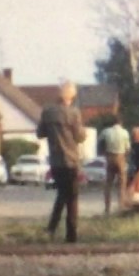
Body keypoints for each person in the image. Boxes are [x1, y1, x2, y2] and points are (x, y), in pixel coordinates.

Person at [37, 81, 86, 242]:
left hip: (55, 160)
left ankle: (51, 229)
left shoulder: (47, 112)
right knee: (72, 197)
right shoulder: (73, 113)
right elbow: (80, 137)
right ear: (72, 96)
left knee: (62, 194)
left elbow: (40, 133)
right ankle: (71, 234)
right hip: (71, 160)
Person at [99, 116, 131, 214]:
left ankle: (107, 208)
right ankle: (120, 206)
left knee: (108, 183)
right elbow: (128, 148)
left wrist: (104, 152)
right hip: (120, 157)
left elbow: (100, 143)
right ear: (121, 123)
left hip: (109, 157)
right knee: (122, 183)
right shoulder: (125, 132)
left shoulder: (105, 131)